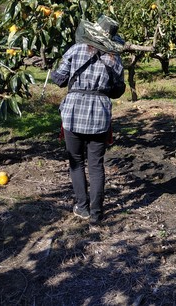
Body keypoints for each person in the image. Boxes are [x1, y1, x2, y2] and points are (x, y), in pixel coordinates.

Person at [51, 15, 125, 225]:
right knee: (96, 165)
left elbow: (59, 79)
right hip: (99, 113)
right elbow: (118, 90)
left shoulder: (75, 50)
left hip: (74, 112)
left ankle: (82, 207)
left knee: (76, 162)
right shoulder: (114, 59)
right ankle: (96, 213)